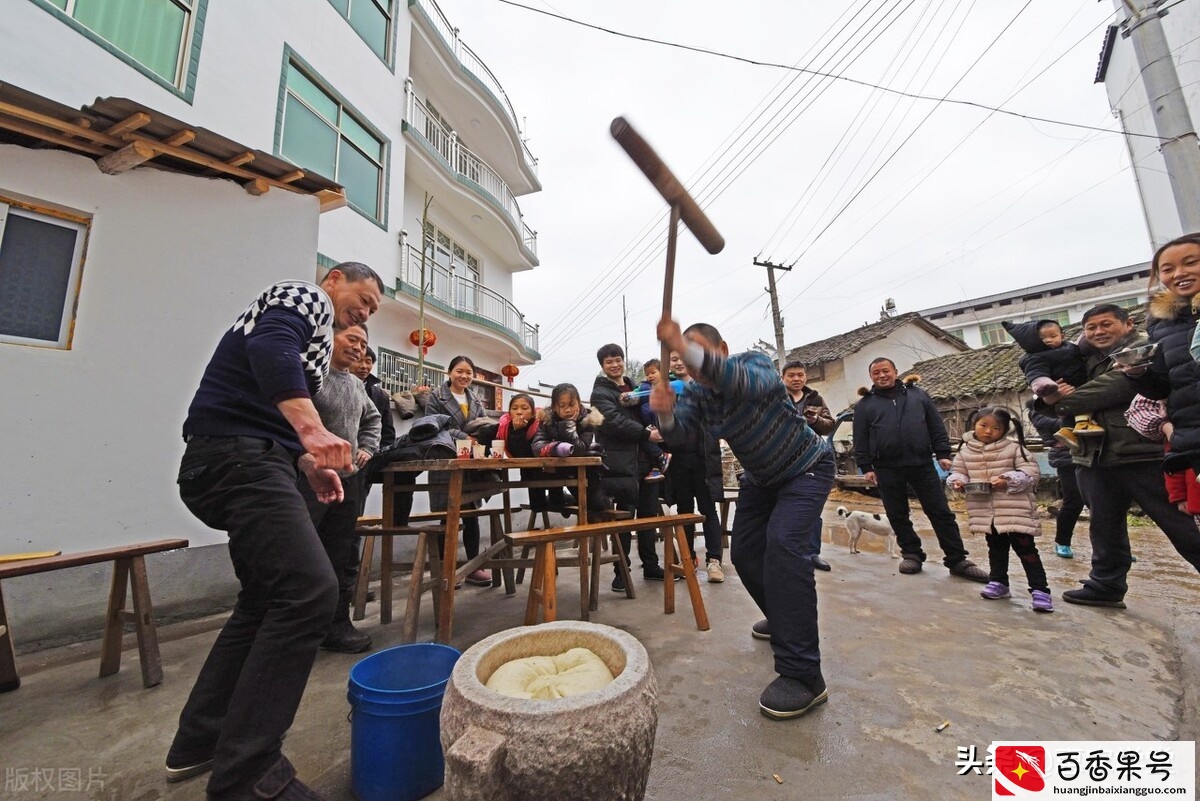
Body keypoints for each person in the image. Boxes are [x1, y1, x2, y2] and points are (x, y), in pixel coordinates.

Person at [169, 262, 382, 800]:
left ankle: (200, 739)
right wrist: (312, 430)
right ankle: (248, 776)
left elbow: (270, 409)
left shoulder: (313, 359)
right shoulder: (303, 298)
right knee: (310, 591)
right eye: (364, 297)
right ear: (335, 279)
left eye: (374, 310)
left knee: (264, 600)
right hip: (236, 457)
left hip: (237, 458)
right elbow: (271, 348)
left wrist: (309, 463)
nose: (366, 311)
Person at [652, 318, 833, 720]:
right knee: (748, 555)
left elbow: (743, 382)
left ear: (722, 348)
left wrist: (681, 344)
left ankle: (804, 676)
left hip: (806, 468)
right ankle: (786, 620)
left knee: (784, 550)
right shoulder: (698, 395)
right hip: (762, 479)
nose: (693, 364)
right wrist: (665, 414)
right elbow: (682, 436)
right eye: (686, 355)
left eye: (698, 352)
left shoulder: (754, 365)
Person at [1044, 303, 1200, 608]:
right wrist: (1049, 397)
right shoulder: (1082, 360)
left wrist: (1060, 401)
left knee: (1181, 525)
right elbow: (1044, 392)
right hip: (1093, 456)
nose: (1099, 332)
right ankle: (1106, 585)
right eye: (1092, 327)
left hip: (1143, 454)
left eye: (1106, 324)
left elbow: (1115, 387)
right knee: (1104, 526)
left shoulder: (1143, 349)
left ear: (1127, 324)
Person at [852, 358, 988, 581]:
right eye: (876, 373)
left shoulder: (918, 395)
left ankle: (957, 559)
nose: (881, 376)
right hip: (886, 467)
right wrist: (866, 466)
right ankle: (912, 553)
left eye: (885, 371)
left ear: (895, 371)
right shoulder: (865, 405)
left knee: (940, 512)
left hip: (922, 463)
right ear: (871, 377)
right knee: (897, 514)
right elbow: (861, 439)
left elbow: (935, 425)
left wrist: (943, 453)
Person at [301, 323, 380, 654]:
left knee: (340, 552)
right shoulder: (311, 376)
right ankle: (298, 629)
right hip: (307, 481)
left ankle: (336, 625)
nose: (359, 348)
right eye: (352, 339)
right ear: (328, 339)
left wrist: (367, 447)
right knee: (304, 552)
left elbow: (373, 419)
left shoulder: (357, 385)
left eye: (363, 344)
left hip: (348, 482)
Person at [946, 408, 1052, 613]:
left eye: (996, 428)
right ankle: (999, 583)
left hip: (1015, 511)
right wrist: (958, 481)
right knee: (996, 549)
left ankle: (1040, 590)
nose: (988, 431)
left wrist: (1008, 480)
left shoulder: (1014, 448)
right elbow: (958, 471)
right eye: (983, 425)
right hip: (986, 513)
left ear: (1004, 430)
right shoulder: (965, 451)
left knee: (1027, 551)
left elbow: (1031, 473)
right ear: (973, 425)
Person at [591, 343, 672, 590]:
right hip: (619, 463)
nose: (615, 365)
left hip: (646, 462)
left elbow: (648, 412)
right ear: (602, 366)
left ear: (623, 360)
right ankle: (621, 571)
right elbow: (613, 422)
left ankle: (650, 566)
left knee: (648, 516)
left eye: (618, 359)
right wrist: (646, 435)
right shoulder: (600, 394)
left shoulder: (635, 388)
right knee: (624, 518)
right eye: (609, 362)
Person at [420, 355, 493, 587]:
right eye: (460, 371)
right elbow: (432, 426)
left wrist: (477, 440)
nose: (464, 376)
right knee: (445, 517)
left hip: (470, 464)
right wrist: (464, 437)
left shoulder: (476, 399)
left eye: (469, 373)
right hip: (446, 462)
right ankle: (444, 569)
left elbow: (484, 425)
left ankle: (473, 567)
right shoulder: (436, 397)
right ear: (449, 372)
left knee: (471, 516)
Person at [661, 349, 727, 583]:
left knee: (708, 510)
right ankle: (688, 560)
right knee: (685, 512)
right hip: (679, 461)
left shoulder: (705, 387)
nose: (678, 363)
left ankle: (714, 560)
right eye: (673, 360)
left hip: (705, 460)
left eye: (682, 358)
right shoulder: (665, 390)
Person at [1002, 319, 1100, 449]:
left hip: (1077, 384)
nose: (1048, 340)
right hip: (1063, 387)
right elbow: (1036, 373)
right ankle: (1073, 427)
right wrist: (1045, 387)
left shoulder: (1071, 347)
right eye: (1043, 338)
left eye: (1053, 336)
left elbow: (1081, 349)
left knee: (1079, 404)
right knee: (1076, 404)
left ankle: (1069, 429)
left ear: (1062, 336)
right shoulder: (1034, 357)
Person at [474, 393, 566, 516]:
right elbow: (485, 432)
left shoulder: (541, 425)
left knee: (557, 504)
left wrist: (519, 431)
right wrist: (484, 454)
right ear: (509, 413)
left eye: (524, 408)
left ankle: (565, 500)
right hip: (529, 474)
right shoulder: (504, 426)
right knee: (537, 506)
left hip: (551, 472)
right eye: (515, 408)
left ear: (533, 413)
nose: (519, 412)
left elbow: (529, 452)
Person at [782, 361, 836, 571]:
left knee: (812, 508)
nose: (796, 379)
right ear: (783, 378)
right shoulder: (776, 397)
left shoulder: (815, 398)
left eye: (800, 375)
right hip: (783, 459)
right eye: (792, 375)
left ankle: (812, 553)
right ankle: (788, 550)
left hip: (812, 458)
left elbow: (829, 424)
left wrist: (815, 421)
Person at [1026, 400, 1085, 559]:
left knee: (1107, 504)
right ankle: (1063, 542)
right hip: (1067, 458)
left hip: (1093, 455)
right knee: (1074, 501)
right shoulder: (1038, 410)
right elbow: (1060, 425)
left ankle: (1117, 548)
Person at [621, 358, 672, 482]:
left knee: (656, 441)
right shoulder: (643, 387)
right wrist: (627, 397)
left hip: (663, 422)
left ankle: (662, 457)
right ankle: (656, 468)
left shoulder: (669, 385)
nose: (649, 376)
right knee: (645, 439)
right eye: (647, 374)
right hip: (649, 423)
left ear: (662, 372)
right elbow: (634, 397)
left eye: (653, 372)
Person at [353, 346, 396, 453]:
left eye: (368, 362)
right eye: (359, 361)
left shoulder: (381, 396)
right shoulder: (335, 386)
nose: (364, 366)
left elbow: (387, 432)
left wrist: (379, 455)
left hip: (370, 456)